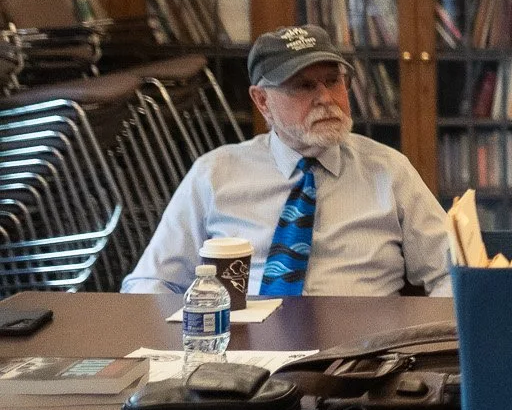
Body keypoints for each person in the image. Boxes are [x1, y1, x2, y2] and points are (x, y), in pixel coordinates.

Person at [124, 25, 452, 297]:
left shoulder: (388, 171)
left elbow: (452, 273)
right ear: (262, 100)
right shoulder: (215, 174)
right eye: (303, 86)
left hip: (362, 354)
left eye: (333, 80)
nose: (326, 98)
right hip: (242, 353)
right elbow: (151, 282)